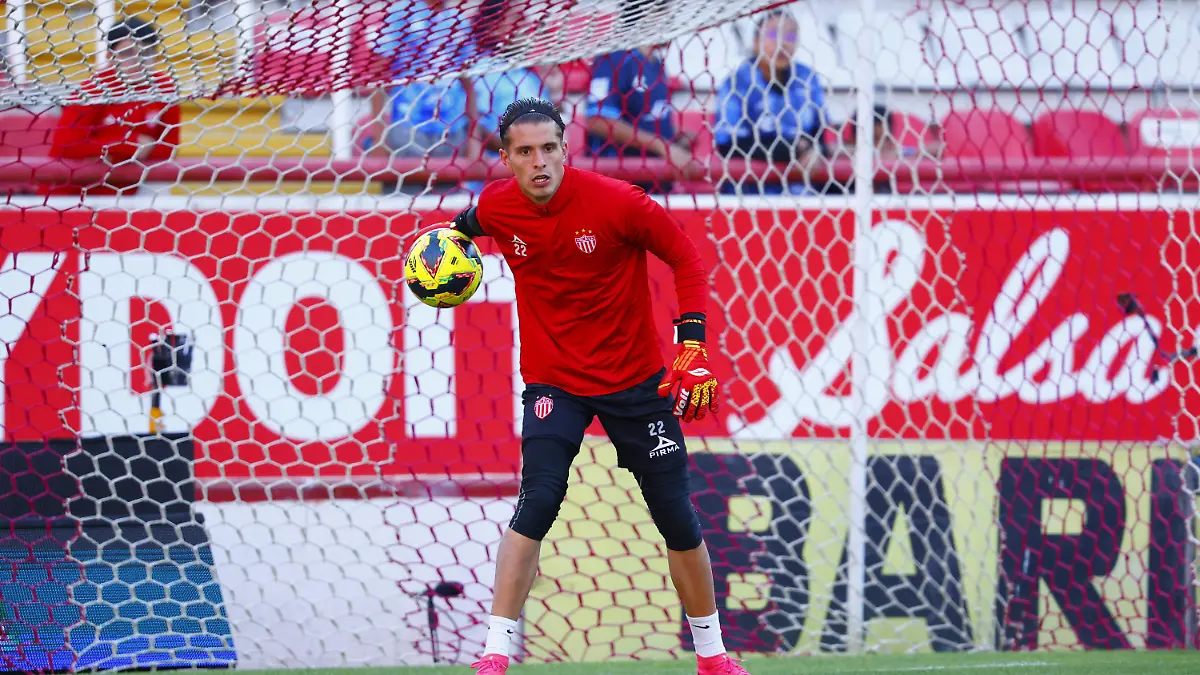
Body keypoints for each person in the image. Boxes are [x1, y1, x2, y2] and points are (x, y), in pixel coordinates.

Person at [419, 97, 747, 675]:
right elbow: (461, 230)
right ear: (505, 159)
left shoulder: (619, 202)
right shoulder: (496, 206)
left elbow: (687, 259)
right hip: (555, 382)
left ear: (565, 149)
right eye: (525, 152)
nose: (540, 162)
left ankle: (713, 656)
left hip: (636, 381)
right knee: (539, 499)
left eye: (549, 148)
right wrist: (439, 251)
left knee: (675, 515)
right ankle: (494, 655)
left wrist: (692, 346)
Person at [44, 17, 179, 196]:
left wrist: (104, 150)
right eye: (127, 53)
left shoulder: (164, 88)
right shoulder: (95, 88)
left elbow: (169, 148)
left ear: (156, 56)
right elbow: (66, 146)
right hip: (74, 194)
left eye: (146, 53)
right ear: (110, 56)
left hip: (128, 191)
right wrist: (128, 145)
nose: (138, 61)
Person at [713, 9, 828, 195]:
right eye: (773, 34)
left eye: (790, 36)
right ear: (755, 42)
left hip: (803, 191)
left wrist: (817, 151)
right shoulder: (736, 83)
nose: (782, 43)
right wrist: (791, 149)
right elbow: (728, 144)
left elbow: (821, 133)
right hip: (748, 192)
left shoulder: (807, 79)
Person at [585, 46, 691, 193]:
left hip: (653, 183)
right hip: (618, 184)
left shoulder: (657, 63)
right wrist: (662, 146)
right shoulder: (614, 57)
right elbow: (598, 121)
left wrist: (675, 138)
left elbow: (644, 120)